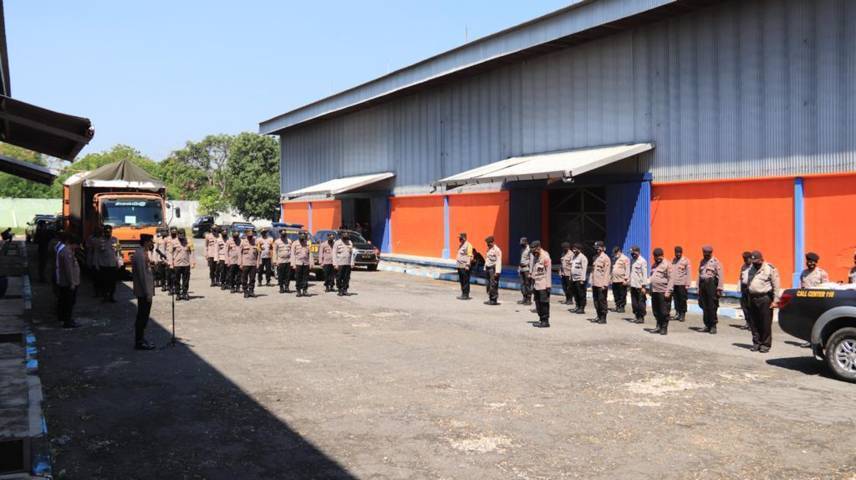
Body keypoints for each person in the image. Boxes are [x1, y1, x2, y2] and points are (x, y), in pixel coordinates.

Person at [746, 251, 781, 353]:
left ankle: (765, 344)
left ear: (761, 259)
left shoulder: (770, 269)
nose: (754, 263)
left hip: (765, 298)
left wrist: (775, 301)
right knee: (753, 323)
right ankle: (756, 343)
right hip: (752, 298)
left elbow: (776, 286)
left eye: (756, 261)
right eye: (753, 261)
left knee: (765, 323)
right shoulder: (751, 268)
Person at [132, 234, 156, 350]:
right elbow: (142, 276)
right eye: (151, 242)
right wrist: (148, 293)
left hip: (144, 291)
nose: (152, 244)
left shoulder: (143, 253)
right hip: (143, 292)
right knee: (142, 317)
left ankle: (141, 339)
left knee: (144, 317)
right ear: (146, 242)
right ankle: (139, 342)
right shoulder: (140, 255)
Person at [55, 233, 80, 329]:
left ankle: (64, 318)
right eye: (76, 245)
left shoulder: (67, 250)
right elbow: (68, 269)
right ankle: (67, 321)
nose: (77, 247)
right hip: (68, 282)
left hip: (66, 282)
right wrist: (72, 282)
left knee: (65, 301)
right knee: (68, 302)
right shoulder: (67, 252)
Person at [697, 245, 724, 334]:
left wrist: (719, 288)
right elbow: (699, 274)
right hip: (703, 284)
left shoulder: (716, 262)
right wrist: (698, 287)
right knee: (704, 305)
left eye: (708, 253)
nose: (706, 255)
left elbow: (720, 276)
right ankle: (706, 325)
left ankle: (713, 326)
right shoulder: (702, 261)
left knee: (712, 306)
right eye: (704, 253)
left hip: (711, 284)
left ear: (711, 253)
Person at [648, 248, 673, 335]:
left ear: (662, 255)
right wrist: (650, 289)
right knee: (656, 310)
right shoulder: (654, 265)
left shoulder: (667, 264)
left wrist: (668, 291)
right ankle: (658, 326)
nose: (658, 258)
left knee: (664, 311)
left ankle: (664, 328)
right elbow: (652, 278)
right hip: (655, 291)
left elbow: (671, 279)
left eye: (659, 256)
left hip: (663, 292)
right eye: (656, 257)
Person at [96, 225, 120, 302]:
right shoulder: (100, 240)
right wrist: (96, 264)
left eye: (109, 232)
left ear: (111, 232)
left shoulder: (115, 240)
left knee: (112, 282)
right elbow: (96, 253)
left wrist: (119, 262)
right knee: (104, 282)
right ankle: (105, 296)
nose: (108, 233)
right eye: (106, 232)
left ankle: (111, 296)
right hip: (103, 265)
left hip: (113, 265)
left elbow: (118, 252)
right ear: (104, 232)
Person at [530, 241, 551, 328]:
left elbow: (548, 272)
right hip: (536, 284)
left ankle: (545, 321)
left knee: (544, 303)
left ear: (538, 247)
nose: (533, 252)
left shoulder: (545, 257)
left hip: (543, 284)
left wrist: (548, 286)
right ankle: (541, 319)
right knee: (537, 303)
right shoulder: (535, 255)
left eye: (534, 249)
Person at [590, 241, 611, 324]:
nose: (597, 249)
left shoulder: (606, 258)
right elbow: (593, 271)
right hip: (595, 283)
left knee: (602, 301)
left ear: (602, 248)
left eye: (598, 248)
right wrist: (591, 282)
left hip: (602, 284)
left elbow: (607, 272)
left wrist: (605, 284)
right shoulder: (595, 257)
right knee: (596, 301)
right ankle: (598, 316)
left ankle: (603, 318)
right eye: (596, 248)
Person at [171, 231, 195, 301]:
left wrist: (193, 262)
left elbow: (192, 252)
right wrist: (170, 263)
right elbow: (170, 253)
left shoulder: (189, 241)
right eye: (180, 236)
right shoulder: (173, 242)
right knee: (176, 280)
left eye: (182, 236)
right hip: (177, 264)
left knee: (186, 280)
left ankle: (185, 293)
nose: (181, 238)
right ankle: (178, 294)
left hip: (186, 264)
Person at [670, 246, 691, 322]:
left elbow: (689, 273)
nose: (678, 254)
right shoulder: (673, 260)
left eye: (679, 252)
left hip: (682, 284)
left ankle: (682, 314)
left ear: (681, 252)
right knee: (676, 299)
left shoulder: (686, 261)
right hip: (674, 284)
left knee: (682, 300)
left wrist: (688, 284)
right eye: (676, 252)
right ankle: (677, 313)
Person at [628, 246, 648, 324]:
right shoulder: (632, 260)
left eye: (634, 253)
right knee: (634, 303)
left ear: (638, 252)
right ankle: (636, 316)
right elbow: (631, 273)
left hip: (639, 286)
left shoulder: (642, 261)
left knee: (641, 303)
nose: (632, 254)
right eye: (631, 253)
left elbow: (645, 274)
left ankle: (641, 317)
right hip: (633, 285)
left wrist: (643, 286)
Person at [239, 228, 261, 298]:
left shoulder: (256, 242)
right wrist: (240, 263)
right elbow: (240, 253)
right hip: (245, 264)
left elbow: (258, 254)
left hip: (253, 264)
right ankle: (245, 291)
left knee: (252, 279)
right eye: (249, 235)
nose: (251, 236)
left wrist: (258, 263)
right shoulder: (243, 242)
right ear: (246, 235)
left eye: (251, 235)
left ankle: (251, 291)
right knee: (244, 278)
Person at [333, 231, 355, 296]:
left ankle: (345, 290)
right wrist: (335, 264)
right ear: (341, 236)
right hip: (340, 263)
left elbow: (352, 254)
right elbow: (334, 254)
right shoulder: (337, 243)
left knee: (347, 277)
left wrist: (352, 262)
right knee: (339, 277)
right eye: (344, 236)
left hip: (348, 263)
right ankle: (340, 290)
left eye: (347, 236)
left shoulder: (350, 242)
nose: (346, 238)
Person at [291, 232, 312, 297]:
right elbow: (292, 254)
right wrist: (293, 264)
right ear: (299, 236)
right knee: (298, 278)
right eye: (301, 235)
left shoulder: (308, 243)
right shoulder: (295, 243)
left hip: (306, 263)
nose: (302, 237)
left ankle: (305, 290)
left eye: (303, 236)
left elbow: (310, 254)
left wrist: (311, 263)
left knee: (305, 278)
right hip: (298, 263)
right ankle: (298, 291)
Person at [569, 243, 588, 314]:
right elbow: (572, 267)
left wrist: (582, 279)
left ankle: (582, 308)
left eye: (575, 249)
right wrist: (570, 277)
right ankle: (577, 306)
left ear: (579, 249)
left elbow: (584, 269)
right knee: (575, 293)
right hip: (573, 279)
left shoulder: (583, 258)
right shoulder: (573, 257)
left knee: (581, 294)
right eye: (573, 249)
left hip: (579, 279)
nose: (574, 250)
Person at [611, 246, 630, 313]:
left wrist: (626, 279)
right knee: (615, 294)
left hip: (621, 280)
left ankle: (622, 307)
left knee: (622, 294)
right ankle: (617, 306)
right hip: (614, 279)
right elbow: (613, 268)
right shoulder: (614, 258)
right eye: (614, 253)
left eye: (616, 252)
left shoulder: (625, 258)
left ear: (619, 251)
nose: (615, 254)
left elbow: (627, 269)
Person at [483, 236, 502, 305]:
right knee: (488, 284)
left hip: (493, 269)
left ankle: (494, 299)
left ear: (492, 242)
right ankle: (490, 298)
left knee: (493, 285)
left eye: (488, 243)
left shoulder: (497, 250)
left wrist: (497, 272)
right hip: (488, 268)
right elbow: (487, 259)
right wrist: (485, 268)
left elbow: (498, 261)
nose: (487, 244)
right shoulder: (489, 249)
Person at [455, 233, 473, 300]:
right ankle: (463, 293)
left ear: (464, 238)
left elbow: (469, 256)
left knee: (465, 280)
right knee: (462, 280)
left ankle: (466, 295)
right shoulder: (461, 245)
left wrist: (467, 265)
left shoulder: (468, 245)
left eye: (461, 238)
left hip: (465, 266)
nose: (459, 239)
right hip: (460, 265)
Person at [738, 251, 752, 330]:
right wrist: (739, 286)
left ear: (750, 258)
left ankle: (752, 324)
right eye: (744, 259)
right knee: (744, 306)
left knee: (751, 306)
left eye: (747, 259)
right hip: (744, 287)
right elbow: (741, 277)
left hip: (751, 288)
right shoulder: (743, 266)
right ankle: (747, 322)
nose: (745, 260)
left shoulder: (754, 266)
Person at [518, 237, 533, 305]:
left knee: (527, 285)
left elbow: (532, 261)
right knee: (522, 285)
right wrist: (519, 269)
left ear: (526, 242)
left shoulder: (529, 250)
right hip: (521, 269)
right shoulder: (522, 249)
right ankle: (524, 298)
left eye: (523, 243)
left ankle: (529, 299)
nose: (521, 244)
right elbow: (521, 259)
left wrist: (530, 272)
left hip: (527, 269)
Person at [165, 227, 179, 294]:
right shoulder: (167, 239)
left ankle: (176, 288)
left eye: (175, 231)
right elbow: (164, 249)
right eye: (172, 231)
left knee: (176, 276)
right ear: (170, 231)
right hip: (168, 259)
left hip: (177, 260)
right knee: (169, 275)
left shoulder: (179, 239)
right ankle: (170, 288)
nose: (174, 232)